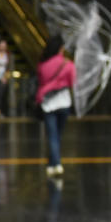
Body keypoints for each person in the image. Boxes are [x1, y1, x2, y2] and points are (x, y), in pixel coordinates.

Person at [36, 36, 77, 177]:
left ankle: (53, 163)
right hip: (64, 102)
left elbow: (41, 81)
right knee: (57, 135)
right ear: (61, 48)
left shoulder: (43, 63)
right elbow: (72, 83)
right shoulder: (68, 64)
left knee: (52, 135)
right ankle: (56, 163)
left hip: (49, 103)